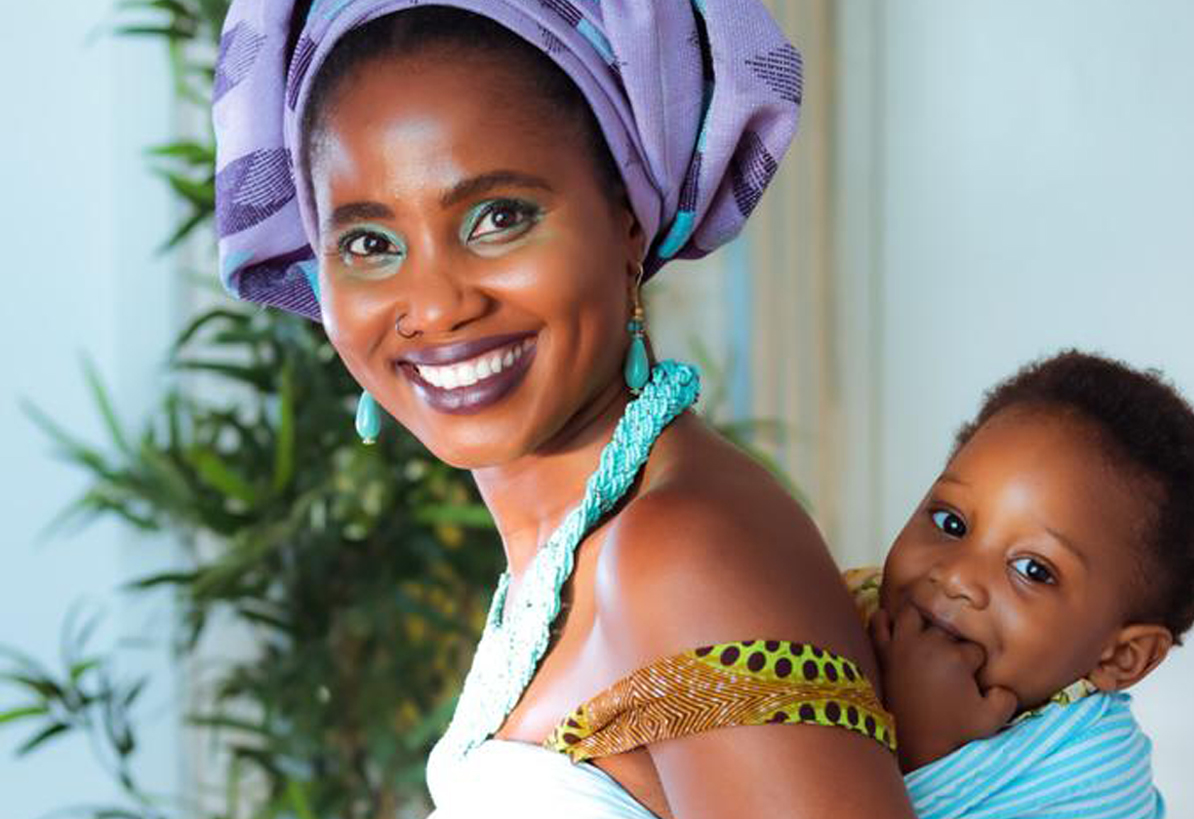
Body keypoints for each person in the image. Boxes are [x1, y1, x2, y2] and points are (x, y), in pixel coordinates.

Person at [213, 1, 916, 816]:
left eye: (499, 217)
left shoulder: (678, 552)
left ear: (627, 221)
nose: (435, 306)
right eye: (370, 243)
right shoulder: (578, 549)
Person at [847, 351, 1194, 818]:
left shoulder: (1094, 776)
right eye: (951, 522)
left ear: (1120, 657)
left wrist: (928, 752)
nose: (957, 577)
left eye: (1033, 570)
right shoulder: (854, 604)